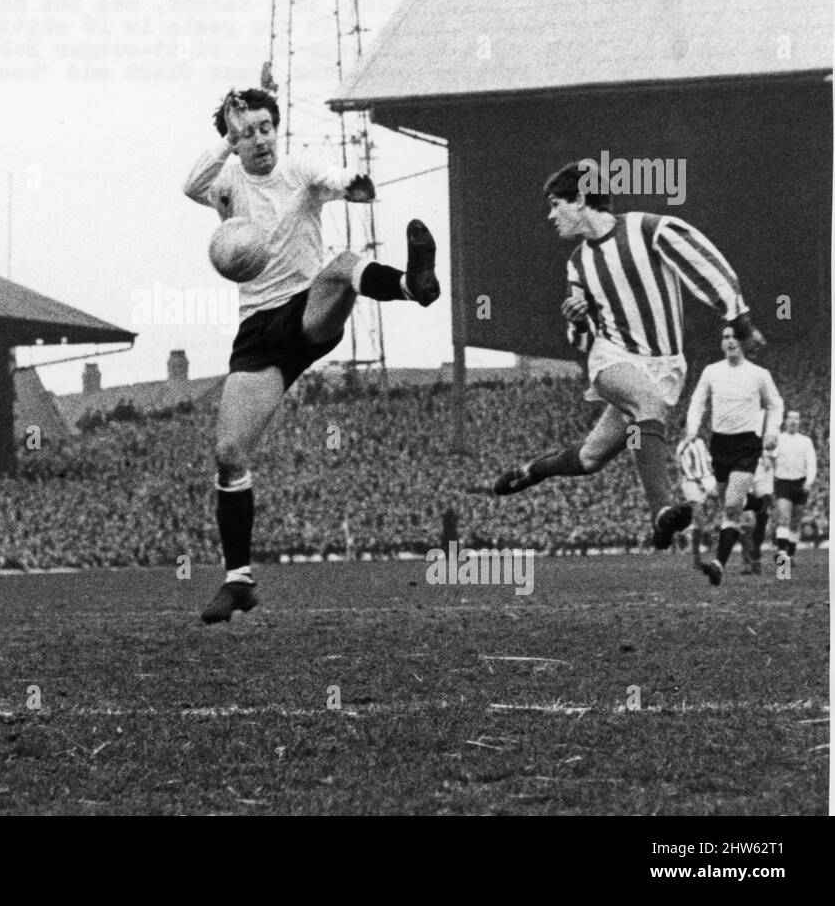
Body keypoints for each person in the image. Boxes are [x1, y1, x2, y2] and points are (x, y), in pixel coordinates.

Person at [183, 88, 440, 623]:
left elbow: (335, 178)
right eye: (247, 131)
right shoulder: (227, 182)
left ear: (277, 128)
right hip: (259, 331)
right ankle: (238, 582)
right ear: (235, 138)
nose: (259, 139)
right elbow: (191, 185)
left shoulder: (298, 170)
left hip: (306, 309)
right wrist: (225, 143)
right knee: (230, 451)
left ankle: (415, 285)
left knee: (342, 263)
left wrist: (355, 185)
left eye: (264, 127)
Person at [493, 162, 765, 557]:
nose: (551, 216)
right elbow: (580, 339)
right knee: (648, 404)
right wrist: (578, 320)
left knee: (590, 458)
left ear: (581, 199)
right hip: (613, 358)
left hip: (665, 366)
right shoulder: (577, 263)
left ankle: (530, 471)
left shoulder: (651, 229)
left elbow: (706, 266)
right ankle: (661, 511)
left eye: (555, 205)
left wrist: (738, 320)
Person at [680, 327, 782, 584]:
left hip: (747, 443)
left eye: (734, 336)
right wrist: (692, 430)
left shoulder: (759, 374)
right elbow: (697, 401)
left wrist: (771, 431)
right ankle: (721, 563)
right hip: (720, 444)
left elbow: (775, 404)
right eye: (725, 336)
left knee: (733, 504)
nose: (729, 341)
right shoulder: (711, 371)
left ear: (744, 343)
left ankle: (717, 562)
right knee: (730, 511)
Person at [772, 409, 818, 561]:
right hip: (783, 483)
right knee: (783, 518)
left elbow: (812, 463)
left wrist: (809, 482)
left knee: (796, 523)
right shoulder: (777, 439)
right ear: (785, 421)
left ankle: (790, 555)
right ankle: (782, 559)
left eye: (796, 418)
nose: (793, 421)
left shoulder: (806, 441)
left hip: (801, 483)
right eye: (790, 418)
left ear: (799, 421)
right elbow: (769, 458)